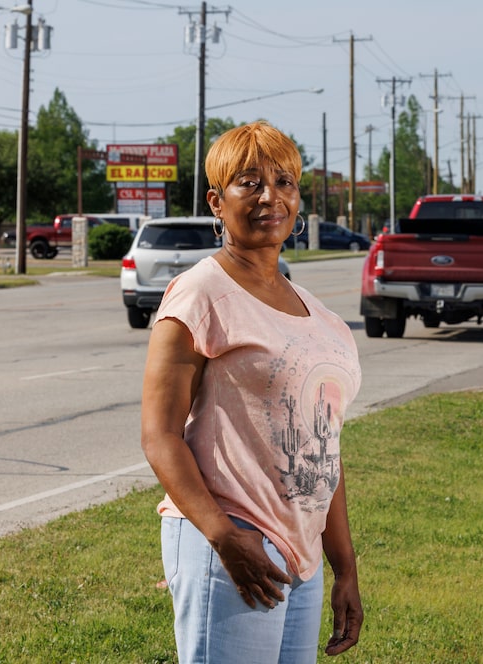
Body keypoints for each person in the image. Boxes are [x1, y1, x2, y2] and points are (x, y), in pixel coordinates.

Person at [141, 121, 363, 663]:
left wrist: (345, 567)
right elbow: (159, 435)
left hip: (302, 553)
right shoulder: (200, 294)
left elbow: (323, 449)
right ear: (217, 202)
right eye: (250, 182)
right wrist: (221, 536)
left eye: (284, 182)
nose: (271, 196)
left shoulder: (318, 312)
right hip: (232, 538)